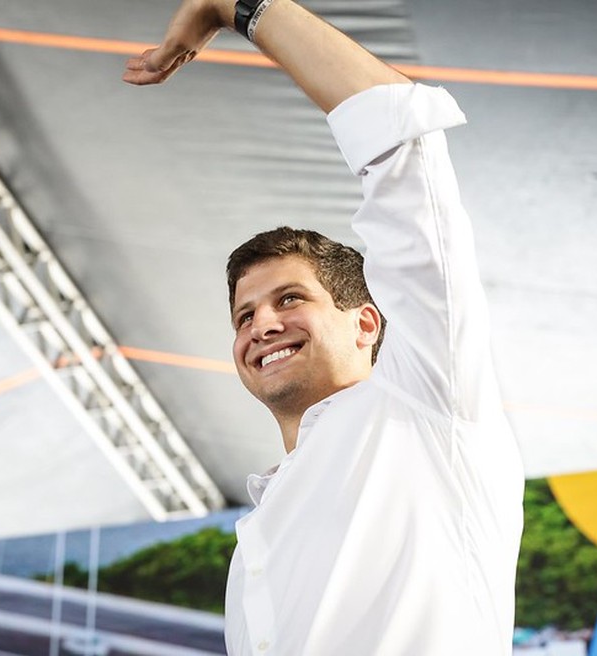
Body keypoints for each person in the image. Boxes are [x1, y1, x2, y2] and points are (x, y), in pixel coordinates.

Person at [124, 1, 525, 653]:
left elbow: (402, 141)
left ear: (367, 322)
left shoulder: (429, 401)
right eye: (244, 315)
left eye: (289, 299)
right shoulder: (262, 530)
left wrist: (233, 8)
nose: (262, 325)